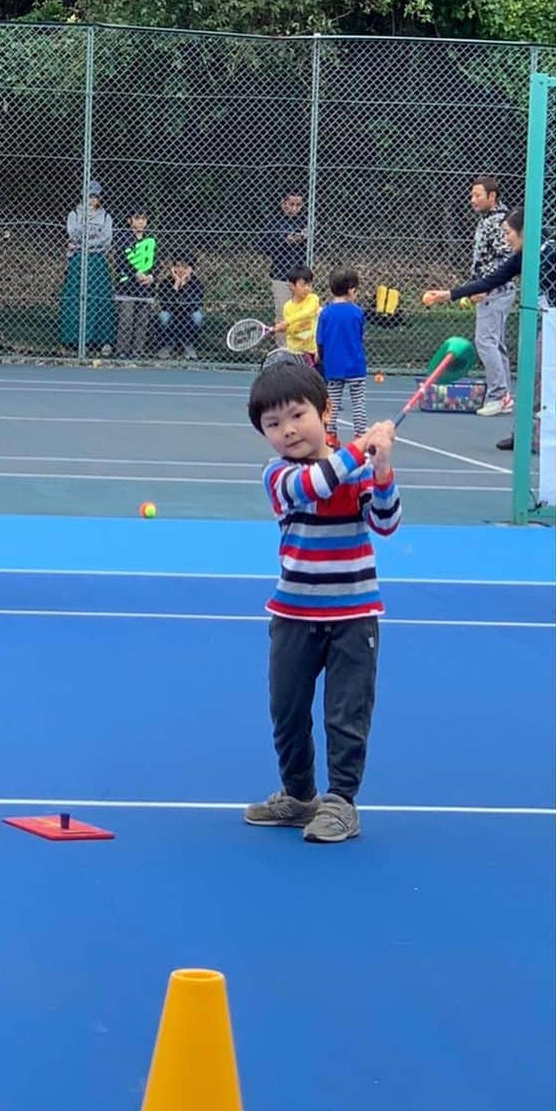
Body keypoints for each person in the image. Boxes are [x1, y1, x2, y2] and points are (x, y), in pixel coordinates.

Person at [244, 360, 401, 843]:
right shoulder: (279, 475)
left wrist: (382, 467)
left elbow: (386, 521)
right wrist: (358, 450)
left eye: (297, 415)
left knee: (345, 714)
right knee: (287, 711)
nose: (287, 430)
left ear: (325, 411)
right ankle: (298, 796)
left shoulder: (352, 469)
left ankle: (340, 803)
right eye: (273, 424)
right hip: (293, 615)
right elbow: (313, 486)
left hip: (354, 616)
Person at [424, 207, 554, 451]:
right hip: (549, 322)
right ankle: (526, 434)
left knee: (540, 374)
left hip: (554, 321)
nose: (506, 238)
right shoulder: (522, 257)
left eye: (508, 233)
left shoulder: (550, 254)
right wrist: (447, 295)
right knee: (535, 373)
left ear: (524, 231)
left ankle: (535, 432)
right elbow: (489, 280)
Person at [464, 173, 513, 416]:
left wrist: (484, 286)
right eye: (472, 195)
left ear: (491, 197)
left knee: (485, 341)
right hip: (492, 290)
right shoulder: (488, 220)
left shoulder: (497, 222)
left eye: (477, 195)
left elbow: (506, 258)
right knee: (496, 343)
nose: (472, 199)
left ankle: (498, 394)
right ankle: (504, 395)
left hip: (495, 292)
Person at [60, 182, 115, 352]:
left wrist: (84, 242)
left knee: (99, 298)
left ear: (99, 198)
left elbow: (106, 240)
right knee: (76, 297)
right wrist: (85, 236)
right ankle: (73, 339)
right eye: (88, 196)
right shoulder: (74, 214)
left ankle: (100, 339)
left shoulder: (106, 217)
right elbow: (73, 234)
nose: (91, 200)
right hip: (78, 260)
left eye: (94, 196)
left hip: (97, 260)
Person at [316, 266, 367, 444]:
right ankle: (360, 435)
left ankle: (330, 434)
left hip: (334, 366)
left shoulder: (325, 313)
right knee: (358, 401)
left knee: (333, 402)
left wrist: (321, 357)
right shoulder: (358, 312)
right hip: (355, 365)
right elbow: (360, 336)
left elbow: (320, 341)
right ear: (351, 290)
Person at [260, 190, 308, 347]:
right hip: (281, 275)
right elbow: (263, 246)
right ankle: (283, 349)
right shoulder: (274, 223)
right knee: (282, 312)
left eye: (298, 205)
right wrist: (286, 242)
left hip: (302, 276)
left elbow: (319, 246)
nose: (294, 208)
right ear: (283, 204)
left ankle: (300, 348)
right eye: (291, 204)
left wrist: (306, 238)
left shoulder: (306, 222)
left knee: (302, 313)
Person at [112, 205, 157, 357]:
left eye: (143, 218)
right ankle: (122, 352)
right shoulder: (123, 239)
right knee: (126, 321)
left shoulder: (151, 239)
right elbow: (121, 260)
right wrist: (135, 273)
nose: (140, 222)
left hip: (146, 287)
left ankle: (137, 351)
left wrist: (151, 276)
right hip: (127, 286)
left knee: (142, 322)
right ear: (130, 220)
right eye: (137, 218)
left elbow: (156, 261)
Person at [155, 254, 204, 358]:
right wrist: (176, 284)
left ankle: (188, 345)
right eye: (177, 266)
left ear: (191, 269)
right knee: (164, 316)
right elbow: (165, 304)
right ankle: (168, 344)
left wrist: (184, 285)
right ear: (173, 268)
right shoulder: (166, 282)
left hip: (188, 314)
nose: (181, 269)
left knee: (197, 316)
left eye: (185, 267)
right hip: (172, 314)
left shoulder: (197, 283)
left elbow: (194, 305)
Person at [274, 264, 320, 365]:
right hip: (294, 353)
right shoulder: (287, 307)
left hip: (312, 351)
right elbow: (293, 331)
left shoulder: (313, 299)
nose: (307, 288)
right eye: (303, 285)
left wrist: (287, 322)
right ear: (292, 286)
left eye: (309, 285)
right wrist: (285, 329)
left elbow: (307, 312)